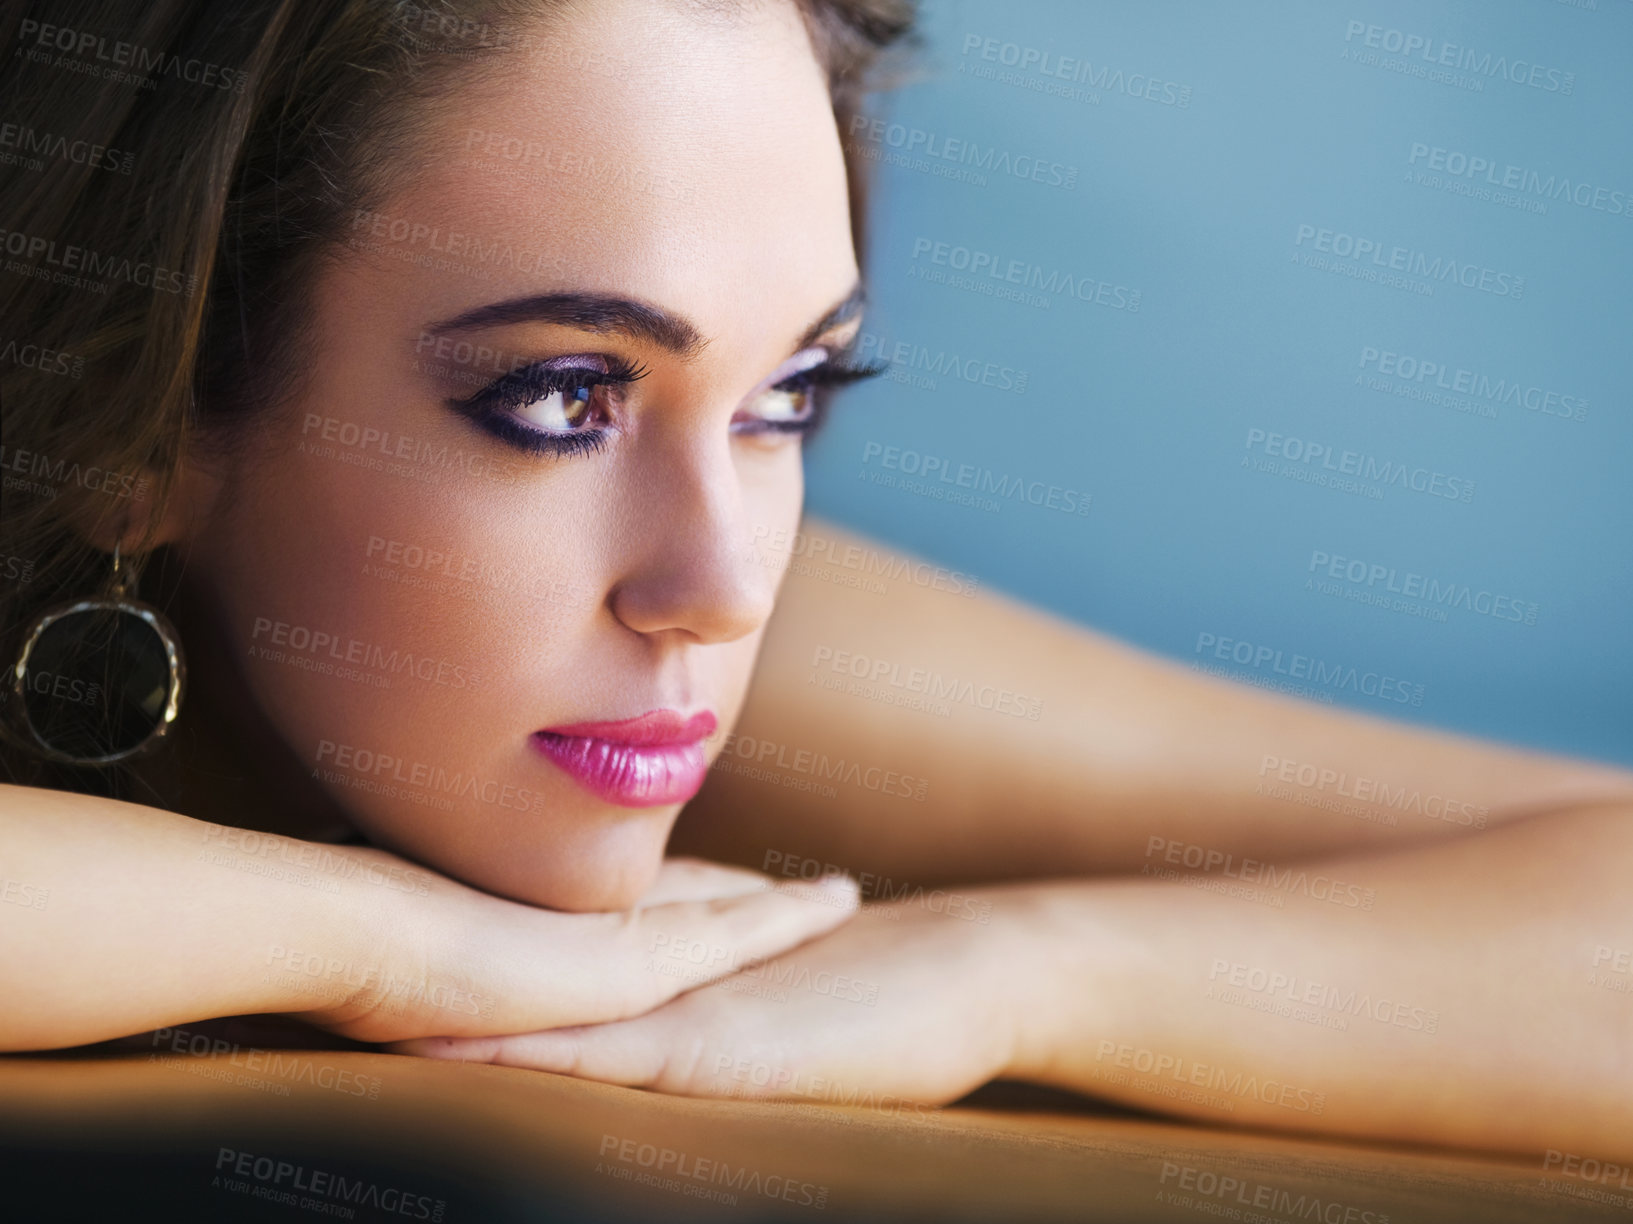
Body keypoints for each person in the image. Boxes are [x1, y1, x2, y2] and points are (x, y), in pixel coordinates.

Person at [2, 0, 1629, 1159]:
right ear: (138, 423)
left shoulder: (762, 666)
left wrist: (1016, 973)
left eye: (789, 398)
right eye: (564, 398)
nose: (714, 585)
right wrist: (386, 941)